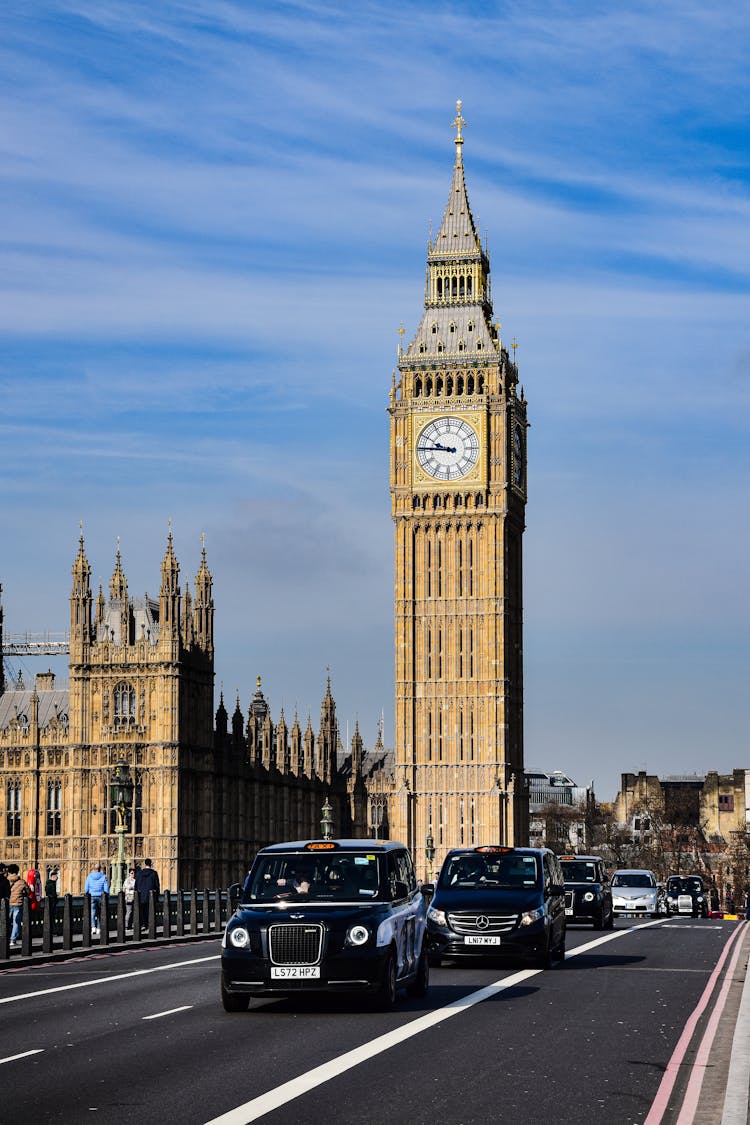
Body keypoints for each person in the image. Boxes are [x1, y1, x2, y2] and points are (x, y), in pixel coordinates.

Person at [135, 858, 160, 931]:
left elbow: (136, 886)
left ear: (145, 864)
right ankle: (150, 925)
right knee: (150, 911)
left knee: (142, 911)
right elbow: (157, 886)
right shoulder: (154, 873)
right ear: (151, 864)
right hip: (150, 896)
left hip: (141, 896)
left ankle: (143, 924)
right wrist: (157, 897)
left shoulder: (139, 873)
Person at [84, 862, 109, 936]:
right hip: (101, 896)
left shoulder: (89, 876)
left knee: (92, 912)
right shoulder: (104, 876)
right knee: (100, 913)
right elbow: (106, 888)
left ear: (93, 869)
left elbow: (86, 888)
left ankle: (93, 927)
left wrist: (87, 893)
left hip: (92, 896)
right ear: (100, 869)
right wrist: (107, 895)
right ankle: (99, 928)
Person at [7, 864, 29, 946]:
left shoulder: (6, 880)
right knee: (16, 922)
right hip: (18, 903)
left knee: (5, 922)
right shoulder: (22, 882)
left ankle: (5, 938)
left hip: (7, 903)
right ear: (17, 871)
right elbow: (28, 892)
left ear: (9, 872)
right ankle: (13, 940)